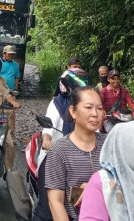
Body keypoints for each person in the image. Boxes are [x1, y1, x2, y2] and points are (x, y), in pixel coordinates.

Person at [33, 69, 90, 221]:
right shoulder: (58, 103)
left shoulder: (89, 106)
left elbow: (96, 131)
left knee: (82, 203)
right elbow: (48, 126)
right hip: (54, 155)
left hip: (80, 158)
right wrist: (46, 139)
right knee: (46, 211)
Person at [45, 86, 106, 221]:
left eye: (100, 108)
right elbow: (56, 202)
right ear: (73, 111)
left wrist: (93, 187)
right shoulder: (59, 151)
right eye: (88, 107)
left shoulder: (110, 145)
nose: (95, 113)